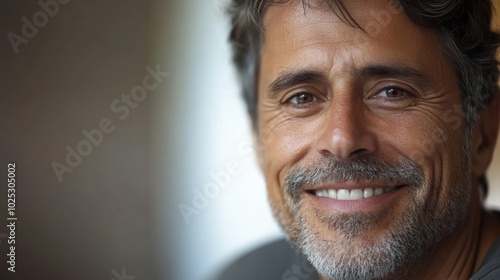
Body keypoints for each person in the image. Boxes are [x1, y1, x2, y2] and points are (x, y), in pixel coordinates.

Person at [218, 0, 500, 279]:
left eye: (392, 93)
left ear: (483, 132)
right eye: (302, 98)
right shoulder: (245, 273)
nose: (342, 140)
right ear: (257, 140)